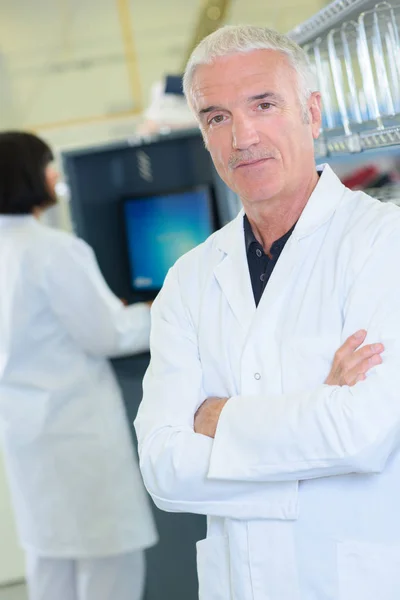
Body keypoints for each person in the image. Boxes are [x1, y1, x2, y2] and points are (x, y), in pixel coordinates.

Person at [134, 25, 400, 600]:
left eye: (263, 105)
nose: (242, 136)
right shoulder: (190, 278)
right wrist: (318, 417)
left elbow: (363, 435)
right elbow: (162, 468)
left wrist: (216, 419)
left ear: (312, 113)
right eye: (217, 117)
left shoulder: (385, 243)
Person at [0, 132, 158, 600]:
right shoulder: (52, 249)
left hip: (28, 436)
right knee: (112, 566)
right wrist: (161, 311)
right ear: (30, 174)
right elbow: (109, 334)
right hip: (77, 436)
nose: (55, 174)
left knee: (51, 568)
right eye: (49, 164)